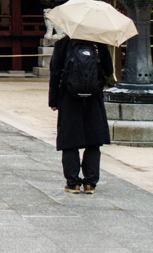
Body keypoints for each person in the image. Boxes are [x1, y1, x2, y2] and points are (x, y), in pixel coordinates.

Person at [49, 36, 113, 194]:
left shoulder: (62, 44)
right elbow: (109, 70)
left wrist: (53, 100)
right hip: (94, 97)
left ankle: (73, 183)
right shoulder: (98, 44)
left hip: (69, 97)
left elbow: (55, 73)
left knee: (70, 140)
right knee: (93, 140)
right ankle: (90, 182)